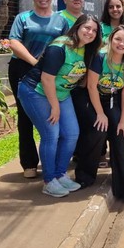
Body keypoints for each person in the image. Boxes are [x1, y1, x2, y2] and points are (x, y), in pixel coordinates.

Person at [17, 15, 101, 197]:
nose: (90, 33)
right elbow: (47, 79)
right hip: (35, 92)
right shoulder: (60, 47)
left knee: (71, 134)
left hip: (61, 93)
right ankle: (48, 181)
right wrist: (54, 107)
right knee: (51, 134)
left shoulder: (87, 49)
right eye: (87, 28)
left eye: (94, 30)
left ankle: (60, 174)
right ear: (77, 27)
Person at [9, 0, 69, 178]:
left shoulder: (61, 21)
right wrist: (34, 62)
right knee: (25, 117)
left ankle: (53, 161)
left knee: (52, 113)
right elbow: (14, 42)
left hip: (51, 73)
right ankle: (29, 164)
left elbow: (66, 46)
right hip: (22, 68)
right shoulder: (23, 17)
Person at [87, 25, 124, 202]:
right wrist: (100, 114)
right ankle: (85, 177)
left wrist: (123, 120)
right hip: (94, 100)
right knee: (97, 131)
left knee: (122, 136)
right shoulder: (100, 57)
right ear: (111, 40)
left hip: (114, 100)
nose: (121, 43)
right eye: (118, 39)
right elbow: (91, 86)